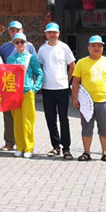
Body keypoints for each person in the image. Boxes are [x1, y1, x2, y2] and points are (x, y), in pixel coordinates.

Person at [72, 35, 106, 162]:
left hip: (103, 101)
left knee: (104, 128)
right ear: (88, 48)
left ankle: (105, 153)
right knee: (86, 128)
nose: (96, 48)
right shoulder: (81, 62)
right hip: (86, 102)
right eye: (93, 46)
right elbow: (76, 82)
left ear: (102, 48)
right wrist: (74, 99)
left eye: (99, 46)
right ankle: (86, 153)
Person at [37, 22, 76, 160]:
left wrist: (67, 80)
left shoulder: (64, 47)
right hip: (47, 89)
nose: (52, 34)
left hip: (62, 89)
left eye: (54, 32)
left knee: (64, 119)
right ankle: (55, 146)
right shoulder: (42, 49)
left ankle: (66, 148)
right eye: (49, 32)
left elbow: (72, 66)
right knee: (50, 119)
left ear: (58, 33)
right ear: (46, 34)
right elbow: (39, 66)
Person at [0, 20, 37, 151]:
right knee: (10, 117)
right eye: (12, 30)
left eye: (17, 30)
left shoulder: (29, 47)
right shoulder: (4, 47)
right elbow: (1, 66)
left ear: (22, 31)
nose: (19, 44)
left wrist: (34, 87)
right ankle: (10, 142)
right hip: (10, 89)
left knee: (26, 118)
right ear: (9, 32)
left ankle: (27, 145)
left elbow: (36, 67)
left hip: (26, 89)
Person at [6, 33, 43, 159]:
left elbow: (39, 74)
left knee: (28, 121)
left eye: (22, 42)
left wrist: (35, 88)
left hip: (27, 92)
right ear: (14, 44)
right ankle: (20, 147)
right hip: (14, 94)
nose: (20, 44)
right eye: (17, 42)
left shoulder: (30, 57)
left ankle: (29, 147)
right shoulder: (10, 59)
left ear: (26, 43)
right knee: (17, 121)